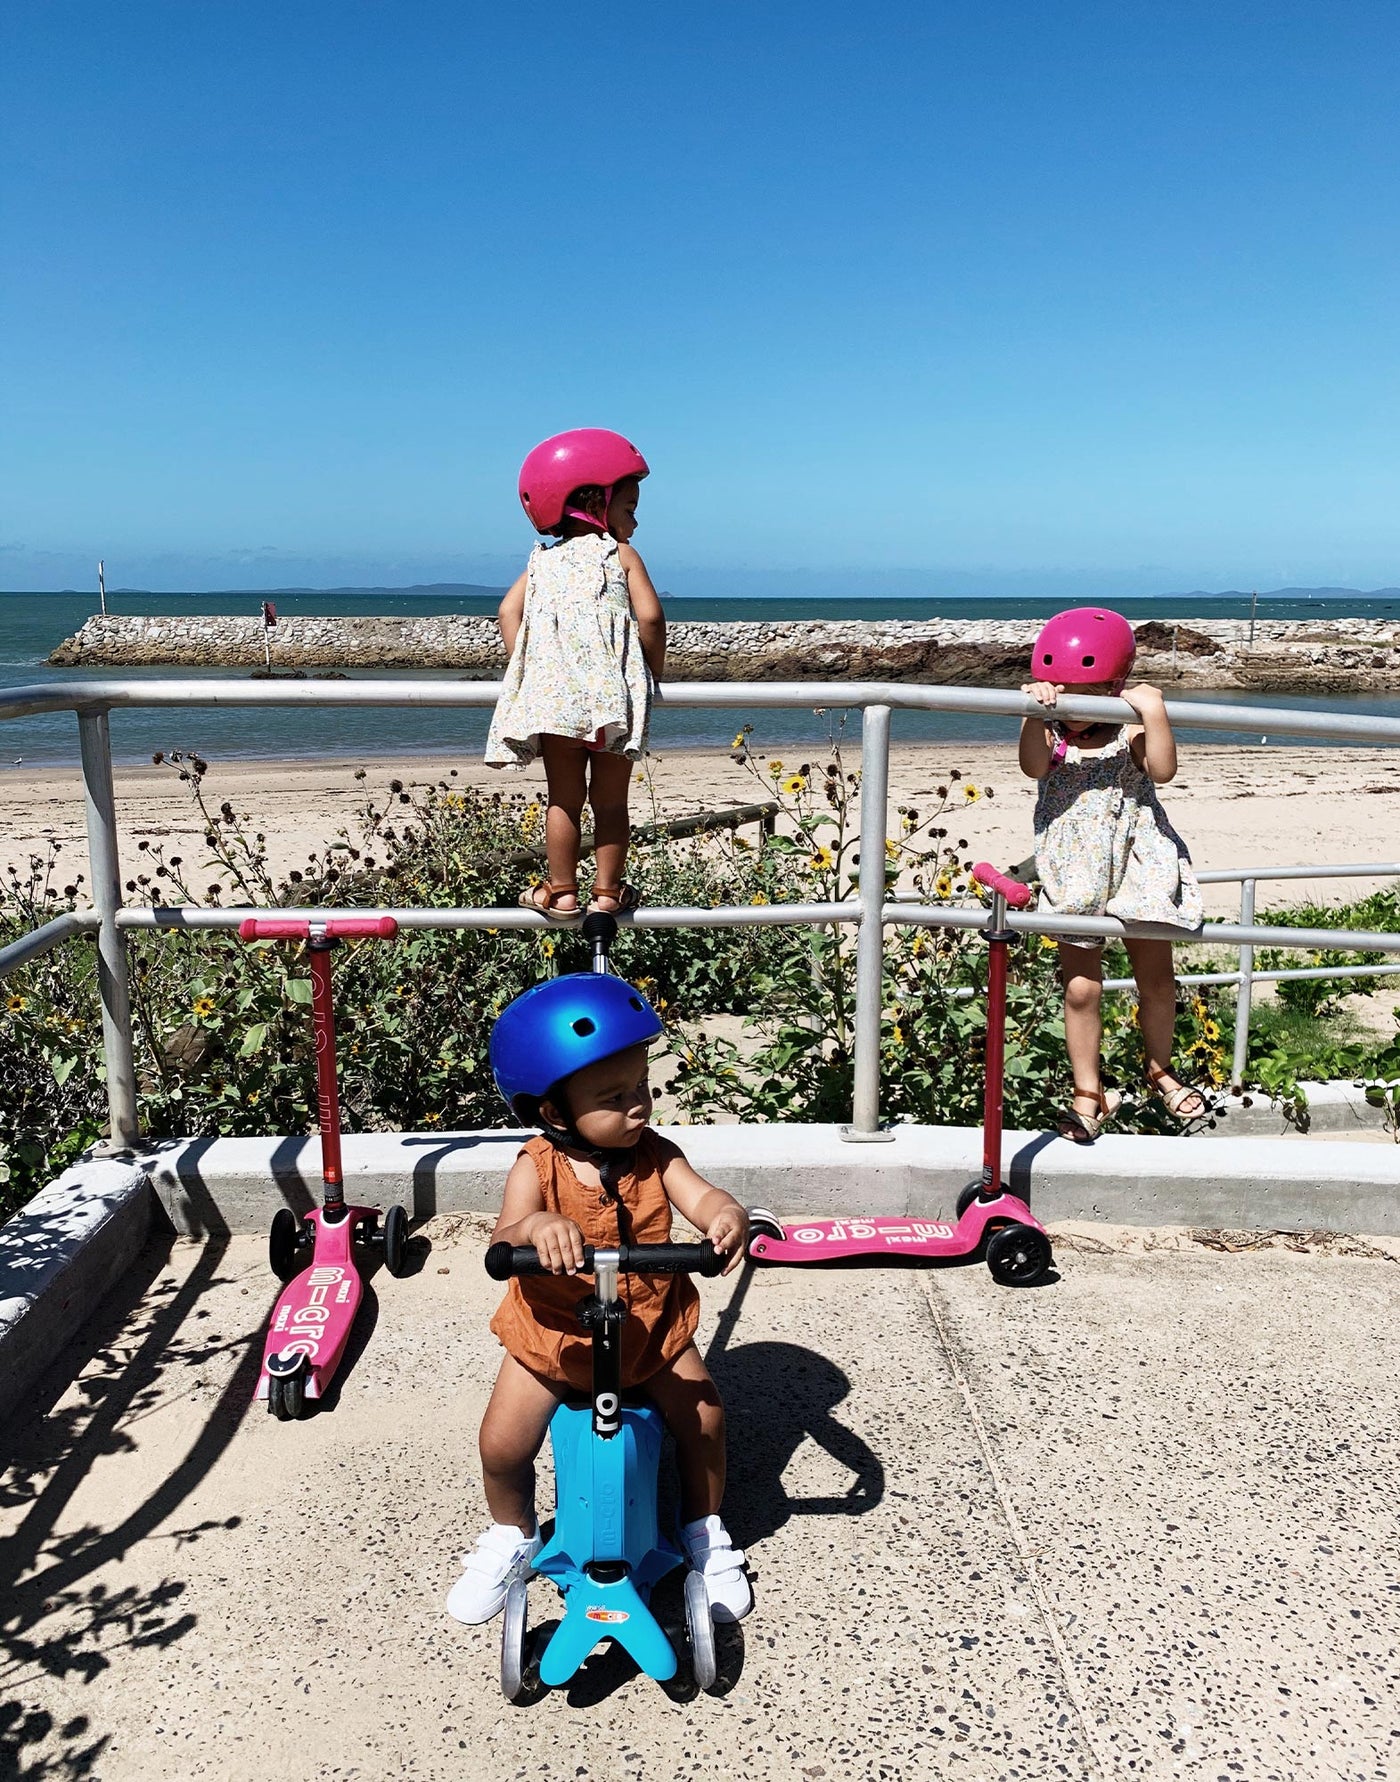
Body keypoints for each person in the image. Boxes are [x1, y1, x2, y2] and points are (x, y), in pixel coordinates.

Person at [446, 972, 753, 1626]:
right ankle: (511, 1532)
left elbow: (702, 1198)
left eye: (641, 1086)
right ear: (554, 1112)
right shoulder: (538, 1165)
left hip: (649, 1332)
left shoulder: (657, 1154)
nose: (638, 1105)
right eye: (613, 1097)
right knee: (502, 1444)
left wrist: (725, 1218)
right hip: (554, 1335)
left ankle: (702, 1528)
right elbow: (506, 1237)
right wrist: (536, 1228)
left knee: (705, 1421)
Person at [1018, 607, 1206, 1142]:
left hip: (1139, 864)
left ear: (1116, 684)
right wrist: (1035, 709)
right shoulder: (1053, 738)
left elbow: (1163, 771)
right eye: (1065, 687)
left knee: (1157, 978)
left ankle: (1160, 1070)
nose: (1076, 704)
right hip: (1076, 872)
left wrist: (1154, 711)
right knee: (1081, 989)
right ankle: (1088, 1091)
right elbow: (1032, 766)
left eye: (1092, 689)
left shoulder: (1128, 734)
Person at [485, 428, 666, 922]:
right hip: (611, 702)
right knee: (610, 803)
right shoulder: (620, 555)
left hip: (557, 703)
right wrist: (653, 673)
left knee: (563, 798)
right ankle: (607, 894)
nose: (635, 519)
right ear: (594, 501)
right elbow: (650, 618)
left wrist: (537, 671)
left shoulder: (541, 563)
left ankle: (561, 892)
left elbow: (508, 612)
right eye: (628, 507)